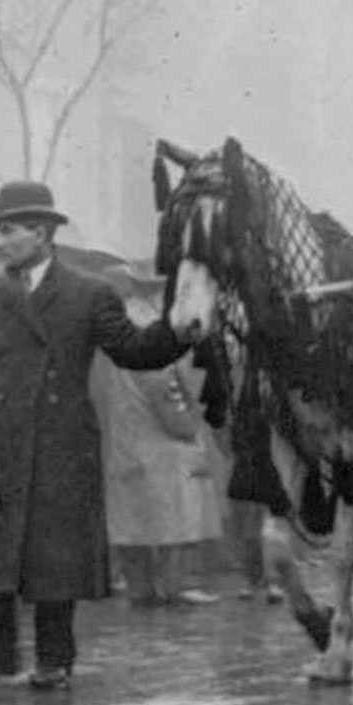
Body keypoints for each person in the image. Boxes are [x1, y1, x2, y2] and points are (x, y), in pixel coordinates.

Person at [0, 183, 190, 691]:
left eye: (10, 230)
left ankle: (54, 659)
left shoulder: (89, 292)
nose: (1, 241)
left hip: (59, 439)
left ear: (41, 232)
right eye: (0, 230)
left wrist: (178, 328)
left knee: (54, 556)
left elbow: (134, 350)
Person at [90, 261, 224, 609]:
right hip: (162, 441)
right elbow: (161, 382)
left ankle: (141, 591)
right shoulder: (147, 320)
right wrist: (187, 421)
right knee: (175, 517)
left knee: (131, 520)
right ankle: (175, 587)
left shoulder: (109, 323)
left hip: (124, 437)